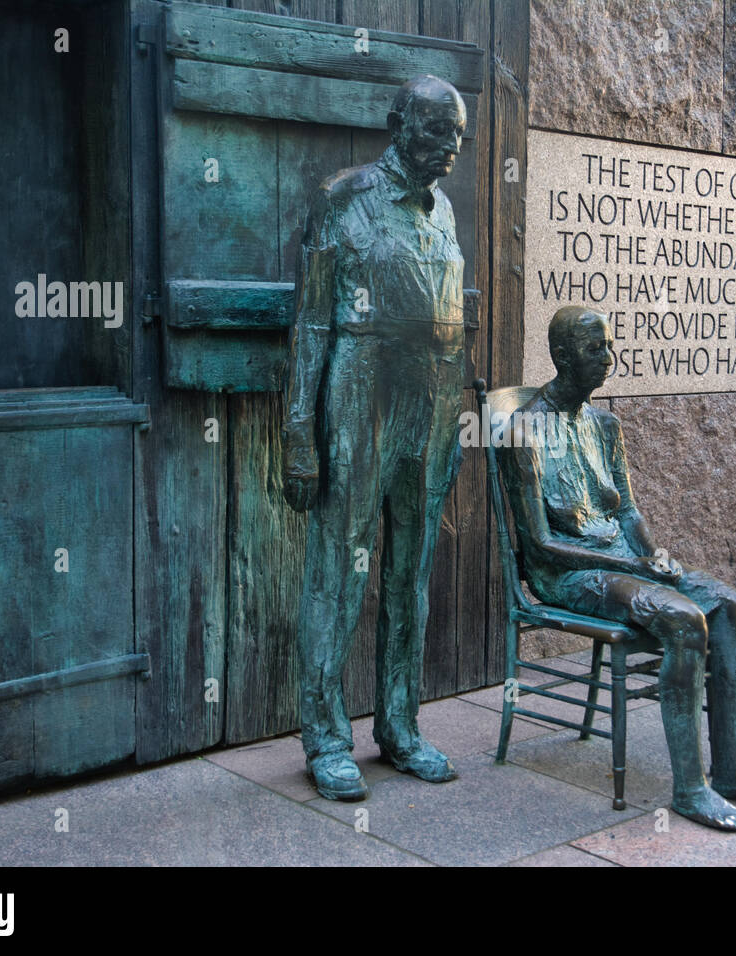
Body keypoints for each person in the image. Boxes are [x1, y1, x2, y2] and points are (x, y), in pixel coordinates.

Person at [498, 305, 736, 831]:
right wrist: (631, 563)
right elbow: (541, 545)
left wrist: (653, 556)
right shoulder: (522, 431)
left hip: (625, 561)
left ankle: (732, 772)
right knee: (683, 619)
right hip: (568, 574)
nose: (609, 360)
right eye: (596, 350)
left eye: (611, 346)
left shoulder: (605, 425)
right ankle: (691, 790)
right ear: (562, 357)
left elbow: (629, 511)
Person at [281, 76, 468, 799]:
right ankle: (326, 737)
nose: (449, 146)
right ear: (397, 125)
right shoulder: (345, 199)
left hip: (433, 398)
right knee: (339, 569)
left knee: (409, 573)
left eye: (457, 134)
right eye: (434, 131)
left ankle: (400, 725)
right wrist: (300, 431)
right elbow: (311, 322)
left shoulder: (443, 211)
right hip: (361, 395)